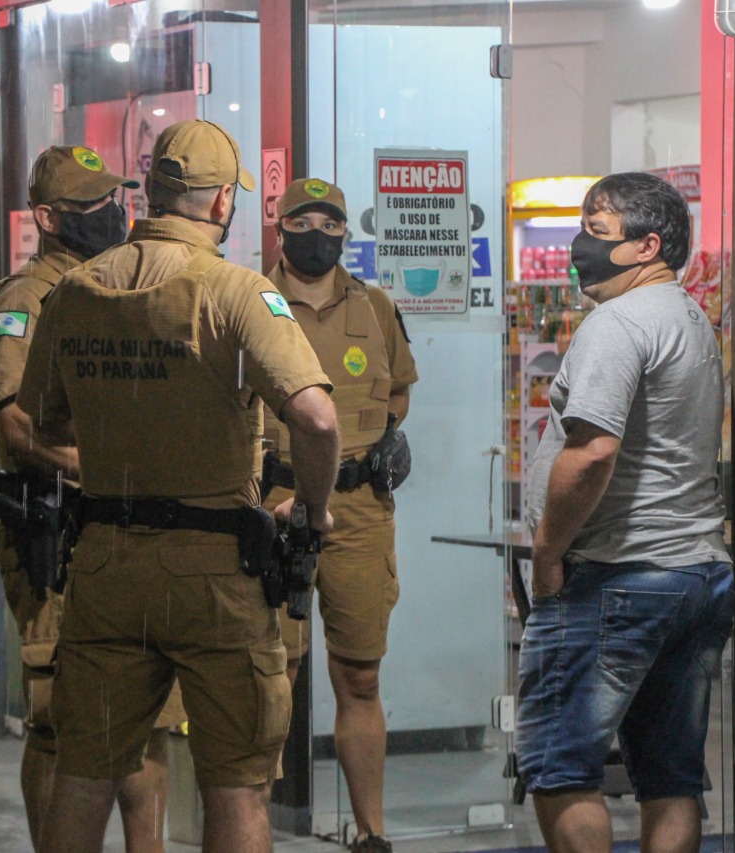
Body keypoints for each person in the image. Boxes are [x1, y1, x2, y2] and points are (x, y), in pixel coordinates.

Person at [20, 120, 341, 853]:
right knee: (235, 784)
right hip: (215, 573)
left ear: (151, 191)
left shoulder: (72, 293)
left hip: (103, 564)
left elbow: (39, 420)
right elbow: (318, 420)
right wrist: (314, 512)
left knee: (84, 774)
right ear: (223, 201)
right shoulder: (234, 292)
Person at [516, 171, 734, 853]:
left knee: (561, 769)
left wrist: (549, 552)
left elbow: (590, 454)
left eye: (596, 232)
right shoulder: (690, 319)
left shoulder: (619, 322)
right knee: (671, 778)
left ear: (647, 246)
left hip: (616, 577)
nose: (580, 245)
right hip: (694, 574)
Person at [0, 145, 185, 853]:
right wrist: (109, 466)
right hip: (58, 533)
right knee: (60, 720)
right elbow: (15, 424)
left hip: (129, 533)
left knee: (149, 712)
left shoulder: (115, 290)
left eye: (115, 200)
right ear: (48, 217)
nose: (112, 214)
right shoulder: (26, 301)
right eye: (94, 207)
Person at [260, 178, 417, 853]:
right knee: (272, 674)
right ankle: (249, 826)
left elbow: (399, 394)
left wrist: (382, 440)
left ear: (345, 234)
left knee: (361, 674)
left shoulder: (375, 305)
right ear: (281, 228)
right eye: (305, 220)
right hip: (273, 504)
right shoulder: (250, 300)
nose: (317, 232)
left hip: (358, 509)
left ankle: (371, 832)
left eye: (330, 222)